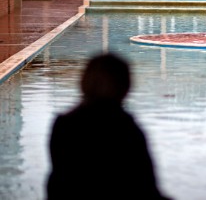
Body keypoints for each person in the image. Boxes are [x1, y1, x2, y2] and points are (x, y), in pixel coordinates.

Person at [47, 53, 171, 200]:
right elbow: (146, 188)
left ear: (84, 83)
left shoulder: (63, 125)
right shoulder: (127, 130)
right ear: (125, 88)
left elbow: (59, 183)